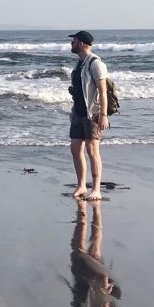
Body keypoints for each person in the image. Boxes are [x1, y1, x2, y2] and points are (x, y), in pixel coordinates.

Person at [67, 30, 109, 200]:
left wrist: (103, 115)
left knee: (92, 150)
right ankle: (81, 185)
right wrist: (73, 109)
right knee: (75, 148)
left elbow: (102, 91)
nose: (71, 44)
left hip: (93, 113)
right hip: (78, 112)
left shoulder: (95, 63)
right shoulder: (79, 64)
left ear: (82, 43)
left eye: (74, 41)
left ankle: (96, 188)